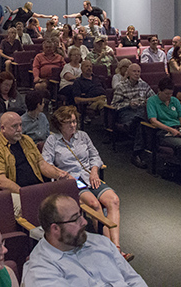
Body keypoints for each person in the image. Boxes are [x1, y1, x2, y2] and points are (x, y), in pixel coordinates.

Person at [43, 106, 130, 258]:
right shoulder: (52, 141)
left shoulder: (83, 136)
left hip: (89, 176)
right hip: (72, 181)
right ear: (59, 124)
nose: (73, 125)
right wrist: (62, 174)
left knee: (114, 200)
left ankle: (116, 246)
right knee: (94, 204)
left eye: (75, 121)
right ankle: (110, 248)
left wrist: (95, 171)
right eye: (69, 122)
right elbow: (46, 164)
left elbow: (95, 156)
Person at [22, 194, 147, 287]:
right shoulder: (40, 270)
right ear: (55, 229)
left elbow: (133, 279)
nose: (84, 222)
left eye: (80, 215)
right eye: (75, 219)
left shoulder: (99, 242)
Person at [0, 112, 70, 215]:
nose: (19, 129)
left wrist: (58, 174)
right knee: (33, 208)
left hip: (36, 187)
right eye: (15, 126)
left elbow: (41, 164)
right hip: (13, 193)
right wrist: (25, 193)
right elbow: (1, 181)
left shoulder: (26, 140)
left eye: (20, 125)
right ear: (3, 128)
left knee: (66, 201)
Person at [146, 76, 181, 184]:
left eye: (170, 93)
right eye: (166, 94)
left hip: (178, 128)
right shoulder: (152, 101)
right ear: (159, 91)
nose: (169, 96)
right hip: (163, 132)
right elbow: (153, 121)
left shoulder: (174, 100)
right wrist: (170, 129)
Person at [111, 63, 154, 169]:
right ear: (128, 73)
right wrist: (128, 104)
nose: (137, 73)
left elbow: (154, 98)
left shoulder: (144, 84)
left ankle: (136, 153)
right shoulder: (121, 86)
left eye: (139, 71)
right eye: (134, 71)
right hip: (127, 112)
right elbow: (114, 105)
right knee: (141, 122)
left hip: (141, 110)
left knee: (140, 120)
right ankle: (137, 153)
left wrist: (148, 101)